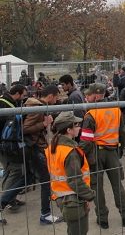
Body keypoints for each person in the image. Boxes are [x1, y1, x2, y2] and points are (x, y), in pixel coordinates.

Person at [79, 83, 125, 229]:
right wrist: (120, 148)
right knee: (117, 184)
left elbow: (86, 140)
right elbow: (122, 132)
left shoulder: (91, 114)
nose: (86, 97)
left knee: (96, 186)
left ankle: (102, 218)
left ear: (97, 96)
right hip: (112, 151)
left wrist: (79, 156)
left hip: (95, 153)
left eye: (89, 95)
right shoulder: (116, 109)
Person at [46, 111, 95, 235]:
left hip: (60, 195)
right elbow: (75, 180)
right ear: (69, 129)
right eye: (77, 125)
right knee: (79, 231)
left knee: (73, 229)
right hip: (74, 198)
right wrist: (89, 195)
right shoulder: (70, 152)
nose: (79, 128)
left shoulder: (53, 147)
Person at [22, 84, 64, 224]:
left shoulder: (36, 106)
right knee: (45, 180)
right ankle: (45, 214)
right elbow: (25, 128)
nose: (55, 102)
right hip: (36, 148)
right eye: (55, 98)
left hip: (36, 146)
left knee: (28, 177)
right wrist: (44, 123)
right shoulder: (38, 109)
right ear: (50, 96)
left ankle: (3, 202)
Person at [0, 84, 28, 214]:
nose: (24, 98)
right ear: (16, 94)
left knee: (9, 170)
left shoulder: (9, 102)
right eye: (23, 96)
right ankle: (7, 200)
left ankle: (10, 197)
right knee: (14, 170)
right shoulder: (3, 104)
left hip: (8, 143)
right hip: (5, 144)